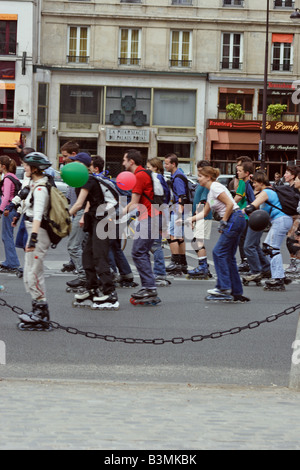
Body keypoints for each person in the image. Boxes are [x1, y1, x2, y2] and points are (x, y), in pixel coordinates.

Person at [187, 166, 249, 302]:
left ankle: (223, 288)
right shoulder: (211, 192)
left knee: (218, 252)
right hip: (237, 219)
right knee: (228, 257)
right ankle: (236, 291)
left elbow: (230, 204)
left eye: (200, 176)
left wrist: (224, 220)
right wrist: (189, 220)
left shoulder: (215, 187)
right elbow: (204, 213)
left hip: (234, 218)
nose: (198, 178)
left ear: (208, 177)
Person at [69, 152, 119, 310]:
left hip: (104, 218)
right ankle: (92, 289)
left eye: (76, 163)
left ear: (83, 165)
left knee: (99, 255)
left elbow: (79, 204)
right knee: (87, 254)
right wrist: (84, 216)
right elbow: (90, 203)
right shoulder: (84, 180)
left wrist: (63, 217)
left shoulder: (88, 179)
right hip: (96, 218)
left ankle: (110, 293)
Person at [16, 153, 54, 331]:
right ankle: (36, 308)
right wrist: (17, 214)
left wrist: (33, 238)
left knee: (34, 272)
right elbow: (27, 205)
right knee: (29, 271)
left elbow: (38, 215)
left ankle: (41, 313)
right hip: (33, 229)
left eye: (26, 166)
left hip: (38, 232)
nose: (24, 168)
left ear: (35, 168)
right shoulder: (34, 184)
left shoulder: (41, 189)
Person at [122, 149, 161, 305]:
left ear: (131, 161)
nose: (122, 163)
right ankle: (148, 286)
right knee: (141, 251)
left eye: (124, 160)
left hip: (149, 217)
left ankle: (150, 287)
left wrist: (115, 215)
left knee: (138, 252)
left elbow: (134, 203)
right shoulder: (144, 174)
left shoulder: (139, 175)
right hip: (152, 216)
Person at [91, 155, 136, 288]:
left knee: (108, 246)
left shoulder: (100, 181)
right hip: (120, 216)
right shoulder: (111, 181)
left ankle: (113, 273)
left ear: (96, 168)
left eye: (90, 167)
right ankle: (126, 274)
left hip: (112, 217)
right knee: (115, 246)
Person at [244, 171, 293, 291]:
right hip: (282, 220)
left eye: (255, 183)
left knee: (272, 249)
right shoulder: (270, 191)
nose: (253, 185)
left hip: (280, 220)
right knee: (267, 247)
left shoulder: (266, 192)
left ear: (261, 182)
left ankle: (278, 279)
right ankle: (280, 275)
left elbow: (251, 207)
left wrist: (237, 212)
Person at [60, 142, 87, 290]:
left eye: (65, 156)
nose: (63, 159)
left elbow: (84, 199)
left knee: (74, 246)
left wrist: (71, 212)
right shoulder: (71, 170)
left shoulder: (80, 172)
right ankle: (86, 274)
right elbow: (71, 193)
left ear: (74, 154)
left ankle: (84, 276)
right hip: (77, 210)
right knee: (82, 246)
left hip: (80, 211)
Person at [146, 157, 171, 286]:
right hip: (159, 211)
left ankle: (160, 273)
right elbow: (167, 196)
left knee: (155, 245)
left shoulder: (156, 178)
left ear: (155, 167)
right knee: (153, 244)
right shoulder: (160, 178)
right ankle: (159, 272)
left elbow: (162, 196)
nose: (147, 169)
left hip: (155, 212)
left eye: (149, 167)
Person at [186, 160, 213, 280]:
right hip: (200, 215)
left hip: (203, 215)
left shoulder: (206, 183)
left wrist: (195, 218)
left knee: (197, 241)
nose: (198, 173)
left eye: (199, 170)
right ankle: (204, 265)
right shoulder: (202, 183)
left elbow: (203, 201)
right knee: (196, 241)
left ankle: (203, 267)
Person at [164, 153, 189, 275]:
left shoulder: (178, 177)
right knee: (179, 236)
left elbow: (181, 196)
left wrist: (179, 213)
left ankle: (176, 263)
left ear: (173, 164)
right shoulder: (178, 175)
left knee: (171, 235)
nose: (165, 166)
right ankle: (182, 263)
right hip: (180, 209)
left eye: (167, 163)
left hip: (179, 209)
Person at [0, 156, 21, 273]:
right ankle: (10, 261)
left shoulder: (7, 178)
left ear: (3, 166)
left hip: (8, 210)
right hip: (12, 209)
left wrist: (1, 210)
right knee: (7, 236)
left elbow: (6, 196)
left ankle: (12, 263)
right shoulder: (13, 176)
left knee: (7, 236)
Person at [234, 161, 255, 273]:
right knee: (246, 240)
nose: (237, 172)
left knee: (244, 240)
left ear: (246, 173)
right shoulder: (247, 183)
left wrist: (230, 206)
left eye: (240, 171)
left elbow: (238, 197)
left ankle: (246, 261)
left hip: (246, 216)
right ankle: (248, 261)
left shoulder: (244, 183)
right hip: (248, 215)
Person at [283, 166, 300, 275]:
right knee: (290, 241)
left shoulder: (296, 190)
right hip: (292, 217)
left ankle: (296, 264)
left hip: (296, 217)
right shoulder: (288, 188)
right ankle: (294, 263)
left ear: (293, 176)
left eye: (287, 173)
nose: (284, 175)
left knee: (294, 241)